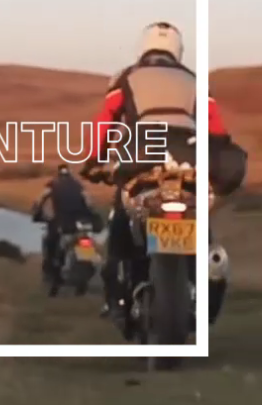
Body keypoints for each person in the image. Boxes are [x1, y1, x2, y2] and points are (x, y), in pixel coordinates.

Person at [78, 21, 248, 330]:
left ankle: (117, 301)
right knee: (201, 227)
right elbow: (217, 131)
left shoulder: (126, 77)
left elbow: (106, 122)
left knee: (119, 228)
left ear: (143, 47)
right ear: (178, 50)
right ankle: (207, 282)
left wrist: (93, 160)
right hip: (190, 161)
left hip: (140, 158)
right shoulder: (195, 81)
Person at [32, 164, 96, 285]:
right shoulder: (78, 185)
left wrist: (37, 212)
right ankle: (87, 266)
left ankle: (51, 271)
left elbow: (41, 199)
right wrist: (91, 214)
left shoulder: (52, 184)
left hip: (62, 221)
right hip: (81, 221)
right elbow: (89, 201)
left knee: (50, 242)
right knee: (85, 241)